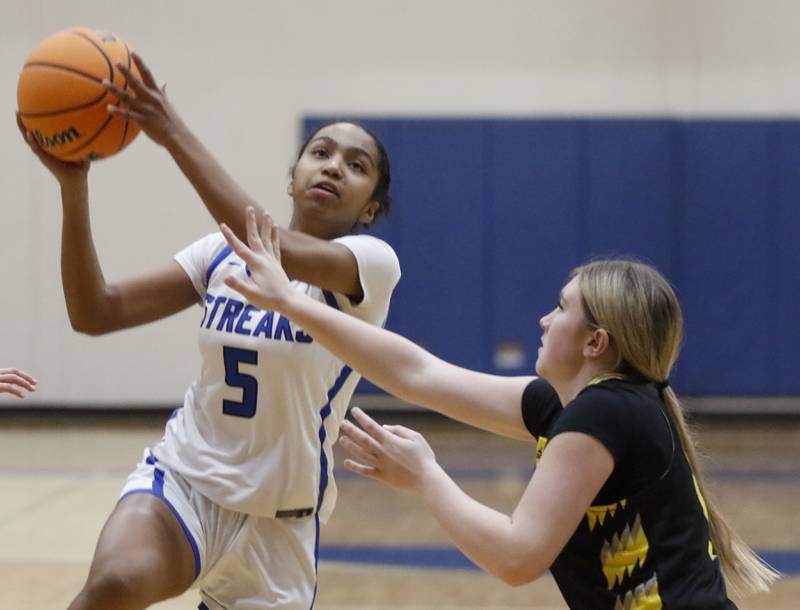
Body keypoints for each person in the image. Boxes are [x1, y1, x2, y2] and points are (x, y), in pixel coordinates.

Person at [219, 210, 779, 610]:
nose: (544, 320)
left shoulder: (608, 411)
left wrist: (426, 477)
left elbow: (517, 558)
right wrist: (291, 302)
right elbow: (418, 374)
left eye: (560, 309)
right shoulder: (575, 404)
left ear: (595, 343)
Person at [17, 52, 400, 610]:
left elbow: (283, 251)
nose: (334, 166)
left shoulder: (369, 265)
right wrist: (73, 189)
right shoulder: (220, 256)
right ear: (291, 181)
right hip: (186, 484)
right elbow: (96, 312)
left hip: (280, 525)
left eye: (356, 164)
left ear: (371, 210)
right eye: (320, 153)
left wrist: (171, 131)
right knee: (115, 585)